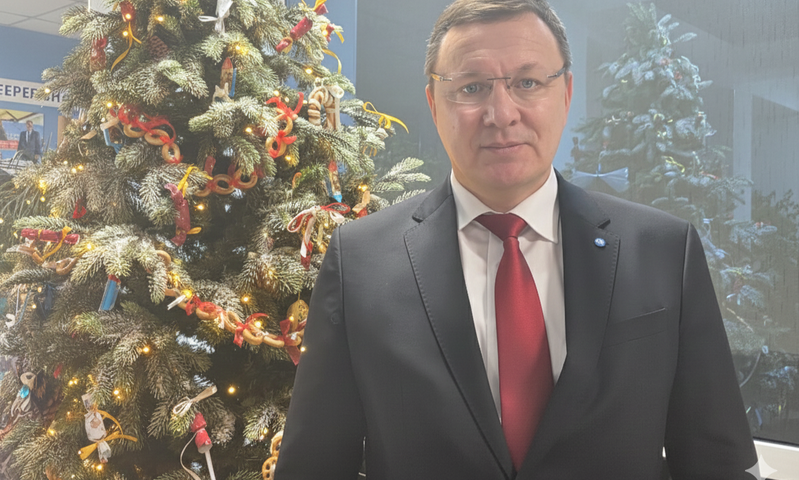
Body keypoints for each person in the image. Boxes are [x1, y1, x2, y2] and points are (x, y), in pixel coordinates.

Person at [275, 0, 758, 478]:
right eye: (472, 87)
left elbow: (719, 465)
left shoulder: (664, 252)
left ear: (566, 93)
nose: (501, 113)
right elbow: (313, 468)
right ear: (434, 105)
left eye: (527, 82)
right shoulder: (360, 262)